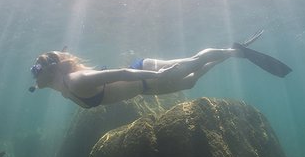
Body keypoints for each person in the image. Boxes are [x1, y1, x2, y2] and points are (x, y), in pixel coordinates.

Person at [28, 29, 291, 109]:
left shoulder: (75, 80)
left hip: (146, 73)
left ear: (51, 71)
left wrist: (155, 75)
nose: (35, 74)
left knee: (194, 61)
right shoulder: (63, 87)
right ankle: (232, 53)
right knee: (190, 82)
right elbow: (46, 77)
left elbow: (121, 74)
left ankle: (235, 52)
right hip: (145, 86)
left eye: (38, 68)